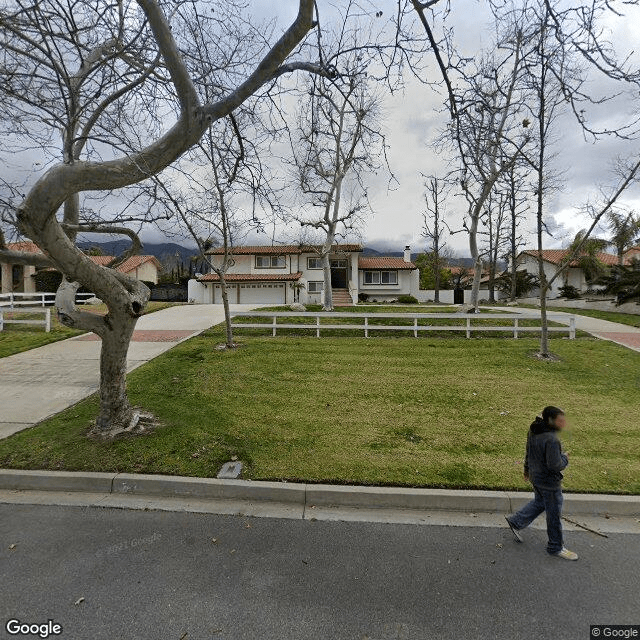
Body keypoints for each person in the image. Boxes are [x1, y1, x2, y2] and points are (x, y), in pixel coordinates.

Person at [505, 406, 578, 561]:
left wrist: (526, 470)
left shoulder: (534, 430)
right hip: (549, 483)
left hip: (535, 476)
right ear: (550, 420)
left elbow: (528, 451)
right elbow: (555, 465)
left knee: (540, 502)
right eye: (560, 420)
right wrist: (565, 458)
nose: (563, 423)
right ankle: (555, 547)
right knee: (553, 514)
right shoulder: (552, 439)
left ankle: (516, 521)